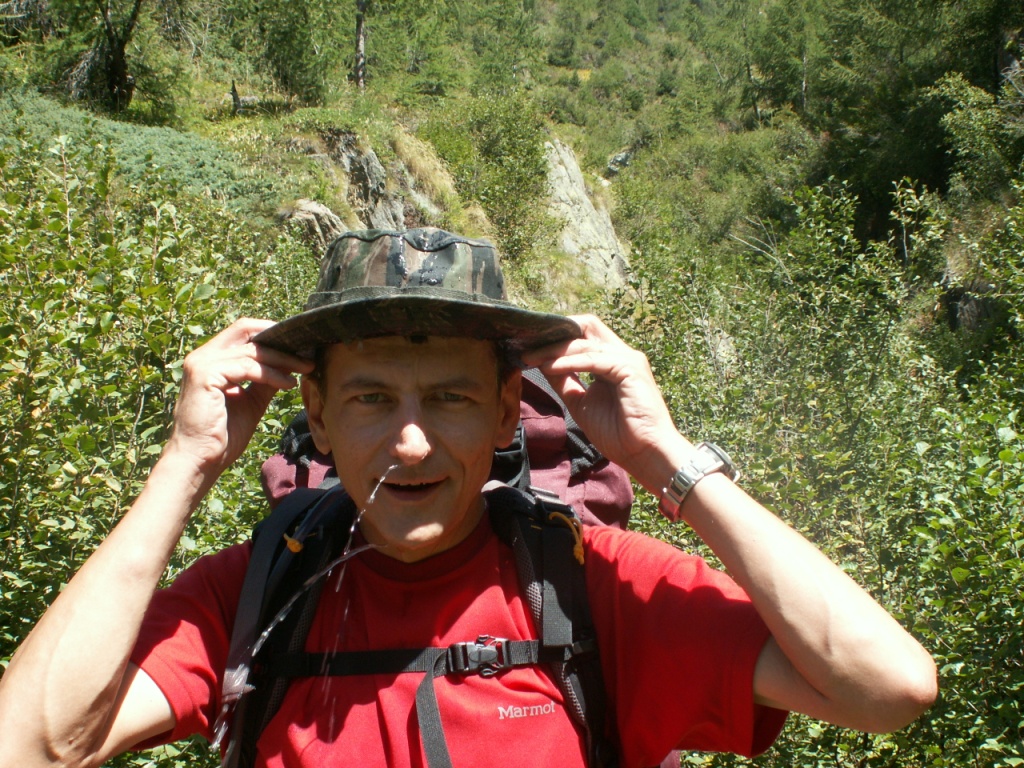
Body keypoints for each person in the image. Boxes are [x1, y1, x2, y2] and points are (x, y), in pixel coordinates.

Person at [0, 228, 936, 768]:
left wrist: (665, 459)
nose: (411, 442)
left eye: (448, 399)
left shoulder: (589, 587)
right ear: (316, 415)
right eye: (371, 399)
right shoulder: (256, 594)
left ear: (502, 412)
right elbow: (28, 745)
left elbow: (887, 686)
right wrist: (187, 463)